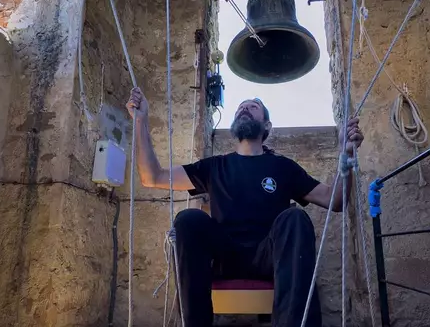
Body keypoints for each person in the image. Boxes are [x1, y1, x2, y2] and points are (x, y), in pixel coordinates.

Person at [126, 87, 364, 327]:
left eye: (253, 107)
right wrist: (141, 121)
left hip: (268, 257)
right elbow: (153, 177)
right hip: (224, 257)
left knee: (295, 218)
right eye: (241, 106)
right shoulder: (215, 167)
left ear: (267, 127)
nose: (244, 108)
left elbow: (336, 200)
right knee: (188, 219)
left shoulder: (283, 167)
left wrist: (345, 155)